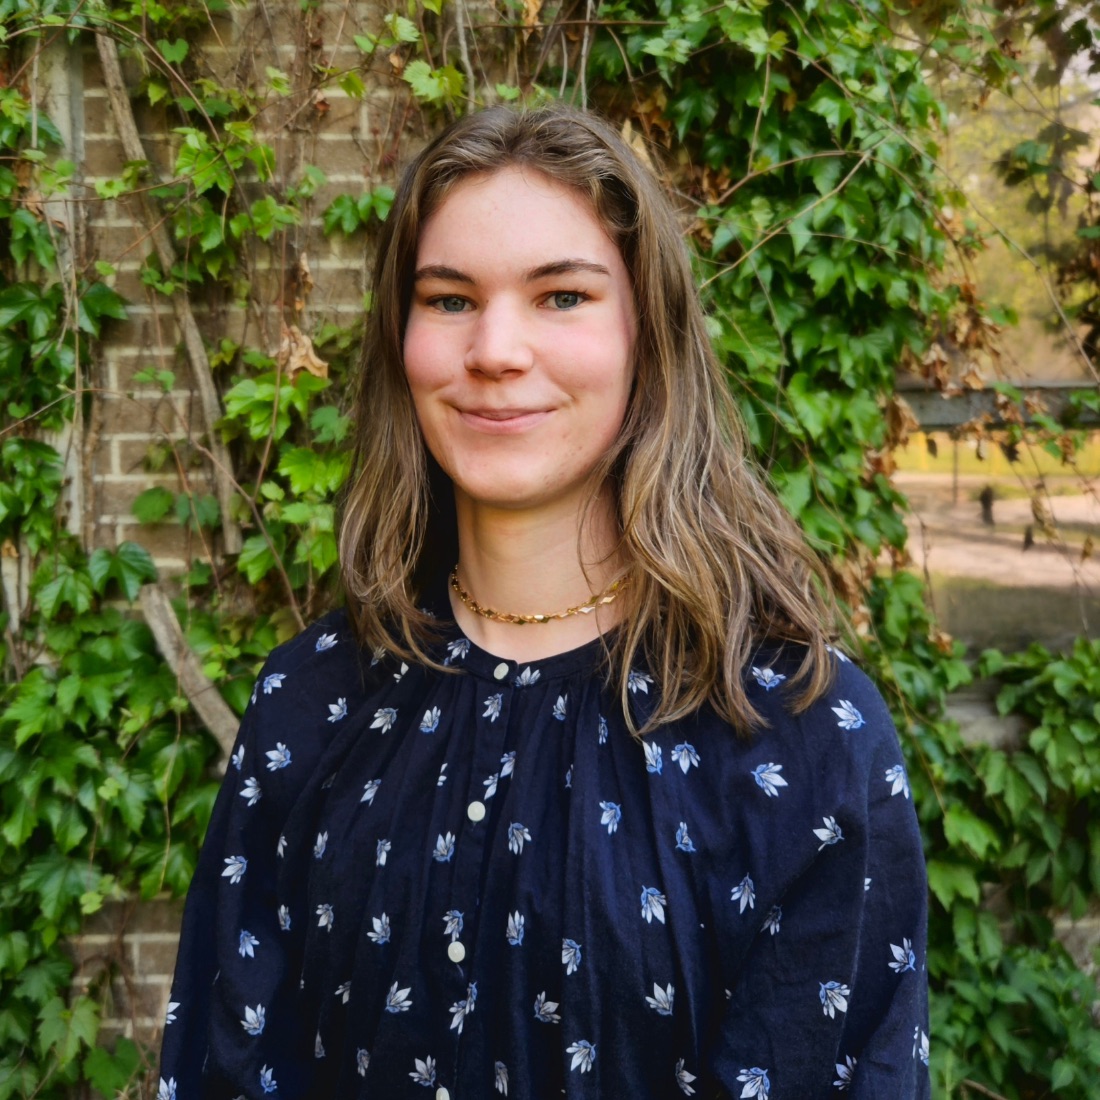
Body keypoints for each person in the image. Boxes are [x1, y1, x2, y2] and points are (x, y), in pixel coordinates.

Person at [158, 104, 930, 1099]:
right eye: (448, 299)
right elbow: (225, 1067)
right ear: (402, 337)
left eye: (560, 295)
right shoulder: (313, 703)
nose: (495, 348)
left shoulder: (798, 735)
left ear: (644, 333)